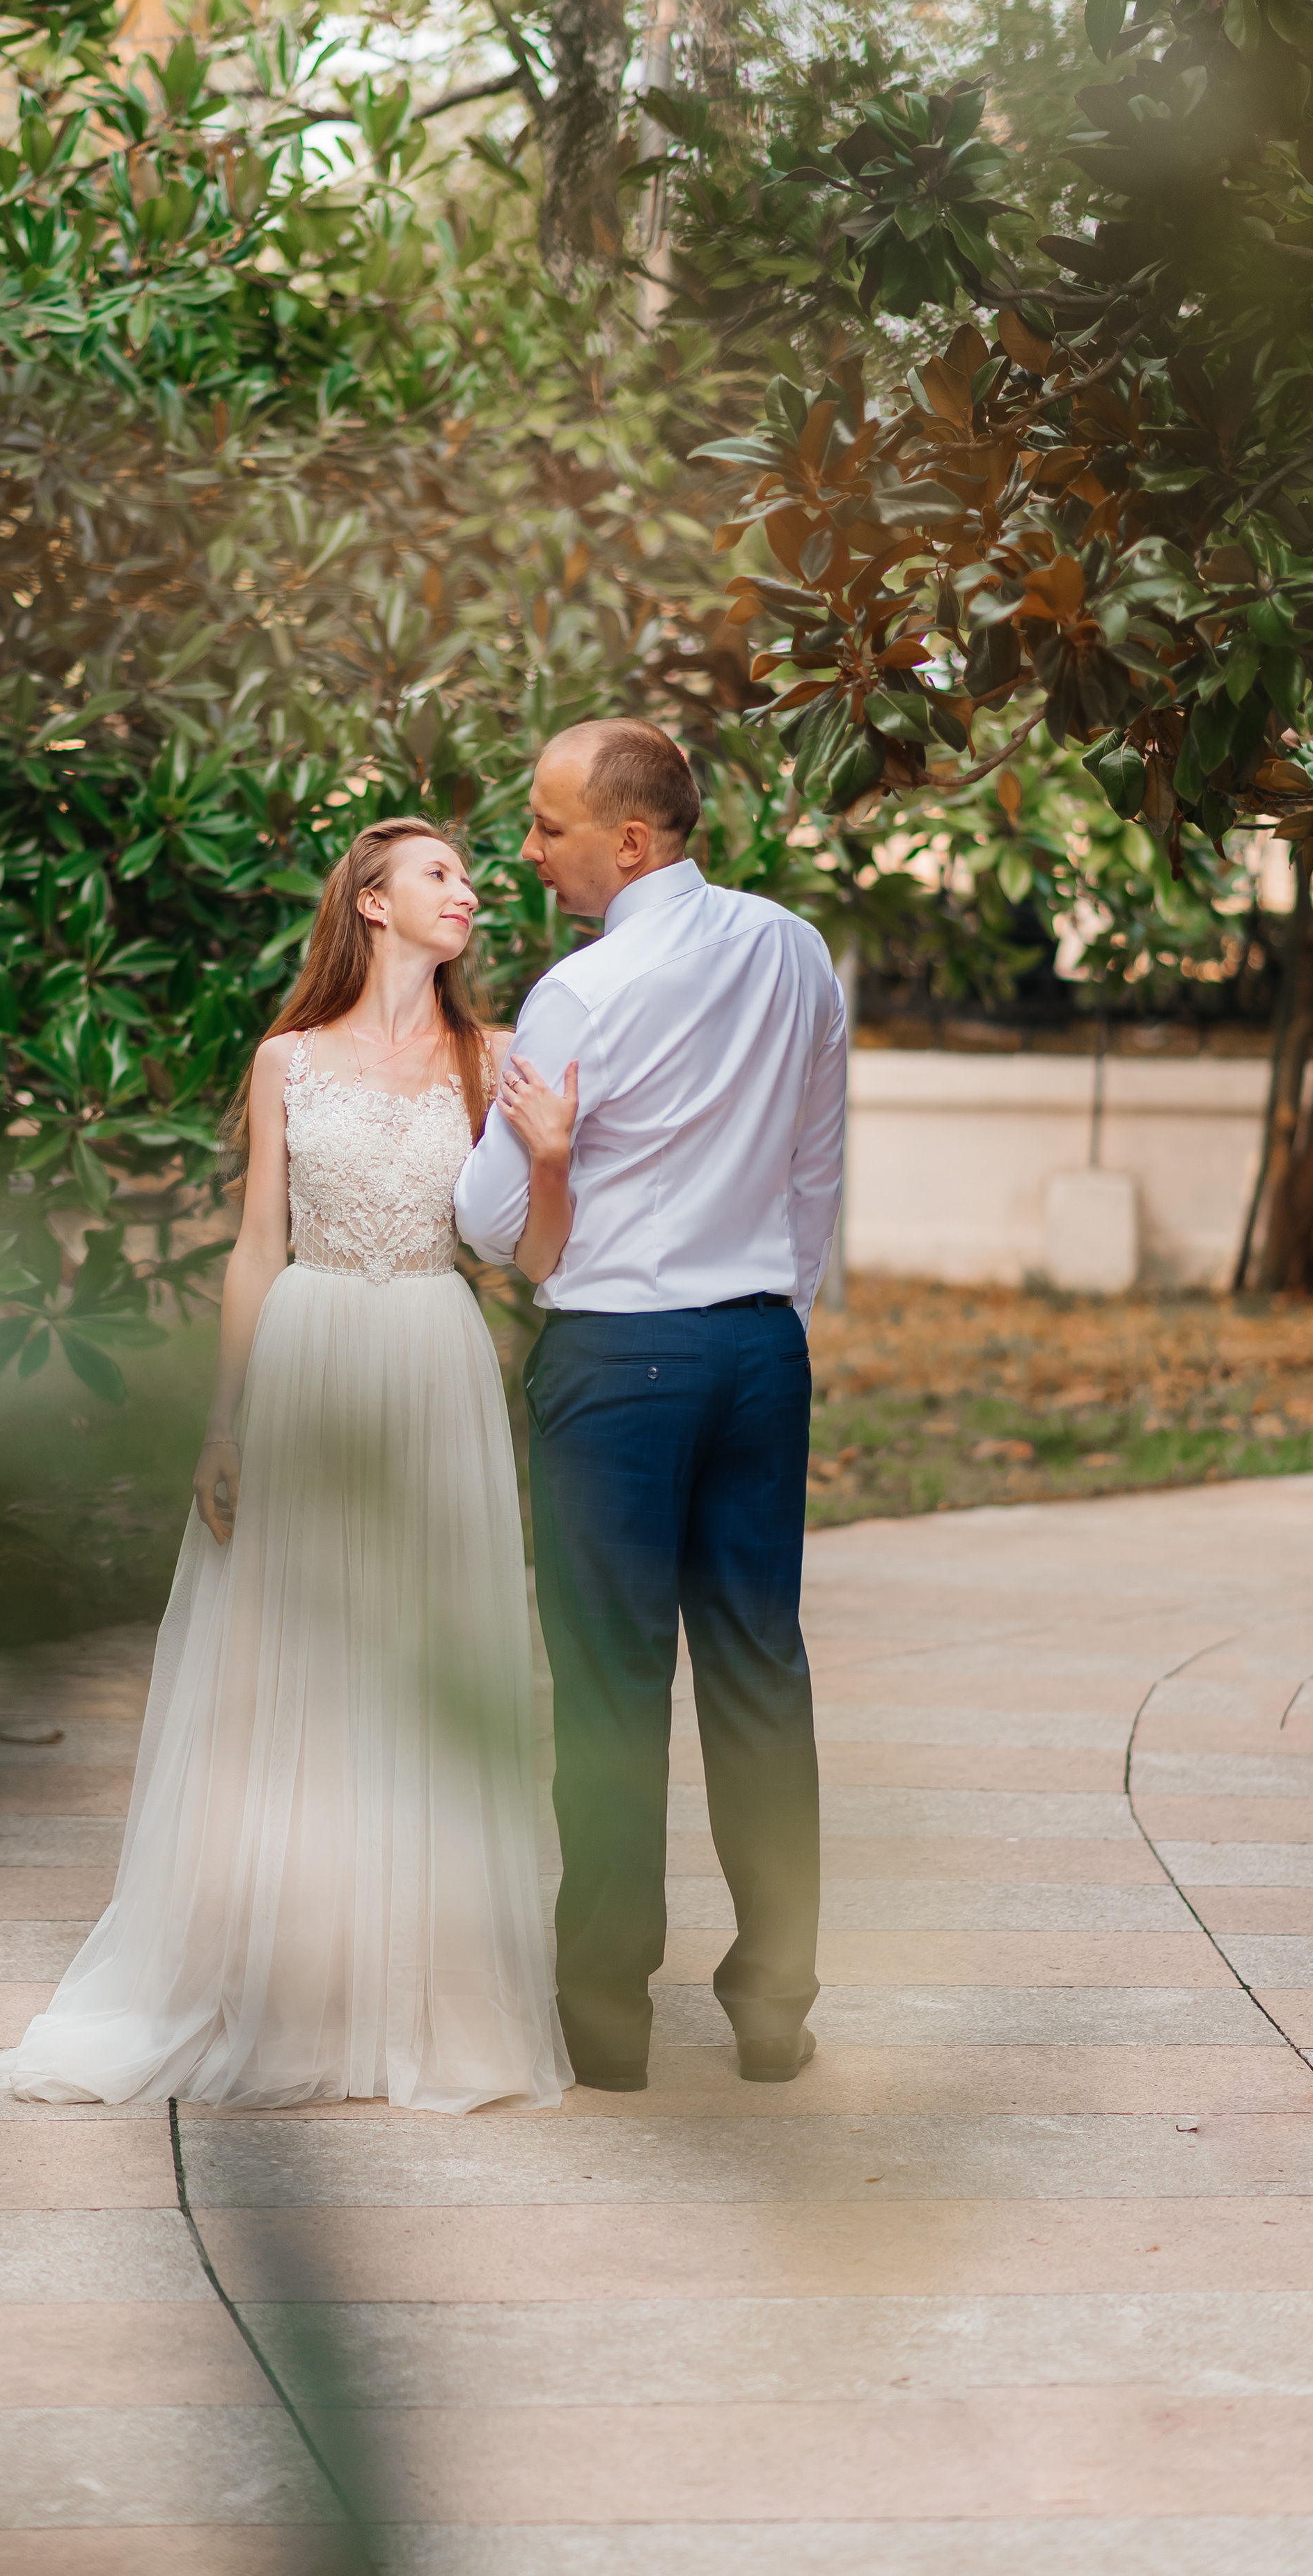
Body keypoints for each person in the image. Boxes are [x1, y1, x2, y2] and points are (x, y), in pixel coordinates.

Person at [0, 817, 569, 2114]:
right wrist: (222, 1423)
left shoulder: (498, 1055)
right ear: (370, 902)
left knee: (421, 1660)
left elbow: (534, 1250)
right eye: (442, 874)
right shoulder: (285, 1060)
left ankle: (416, 1988)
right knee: (291, 1665)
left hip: (432, 1352)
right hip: (305, 1351)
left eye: (471, 875)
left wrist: (558, 1153)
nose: (472, 890)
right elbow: (254, 1247)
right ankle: (277, 1977)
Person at [455, 719, 846, 2094]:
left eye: (547, 822)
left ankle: (606, 2012)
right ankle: (773, 1999)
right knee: (758, 1675)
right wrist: (770, 1316)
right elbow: (815, 1164)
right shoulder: (793, 951)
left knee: (611, 1690)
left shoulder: (580, 990)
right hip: (754, 1357)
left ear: (628, 839)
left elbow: (492, 1218)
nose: (526, 846)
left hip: (614, 1364)